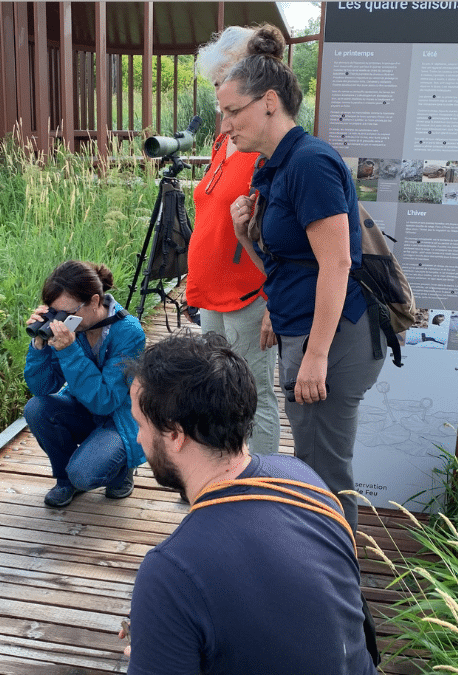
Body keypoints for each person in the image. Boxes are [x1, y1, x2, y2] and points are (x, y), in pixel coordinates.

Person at [122, 332, 378, 675]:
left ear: (174, 434)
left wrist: (155, 639)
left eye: (140, 424)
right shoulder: (303, 479)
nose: (138, 437)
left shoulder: (170, 571)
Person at [221, 26, 387, 532]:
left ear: (269, 102)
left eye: (232, 111)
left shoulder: (310, 163)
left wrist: (315, 355)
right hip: (305, 328)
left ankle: (337, 593)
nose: (224, 125)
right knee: (315, 463)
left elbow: (338, 264)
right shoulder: (275, 164)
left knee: (325, 473)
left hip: (334, 339)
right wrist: (242, 232)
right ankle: (319, 573)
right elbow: (284, 265)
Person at [186, 25, 280, 456]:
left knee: (253, 392)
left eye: (222, 82)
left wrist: (273, 305)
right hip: (211, 291)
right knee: (217, 391)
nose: (218, 94)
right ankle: (223, 477)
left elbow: (280, 235)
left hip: (248, 293)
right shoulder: (225, 138)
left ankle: (261, 490)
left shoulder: (265, 145)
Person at [23, 260, 146, 507]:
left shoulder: (129, 332)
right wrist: (39, 345)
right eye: (55, 312)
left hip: (118, 416)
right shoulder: (72, 325)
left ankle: (121, 469)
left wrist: (69, 351)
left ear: (94, 301)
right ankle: (65, 481)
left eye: (68, 313)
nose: (61, 321)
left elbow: (105, 401)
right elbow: (41, 389)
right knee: (36, 409)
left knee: (85, 474)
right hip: (82, 405)